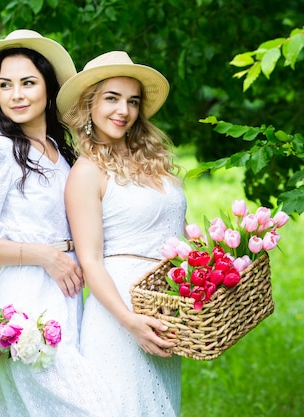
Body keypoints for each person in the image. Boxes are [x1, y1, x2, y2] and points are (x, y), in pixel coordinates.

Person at [0, 30, 116, 417]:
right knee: (89, 407)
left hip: (68, 297)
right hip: (24, 300)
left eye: (27, 83)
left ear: (48, 89)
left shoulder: (64, 153)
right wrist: (43, 255)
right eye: (5, 85)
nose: (16, 95)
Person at [58, 51, 187, 416]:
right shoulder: (87, 172)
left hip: (164, 304)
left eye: (132, 101)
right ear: (90, 104)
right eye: (112, 98)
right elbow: (91, 262)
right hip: (119, 311)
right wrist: (130, 321)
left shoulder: (156, 163)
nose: (123, 111)